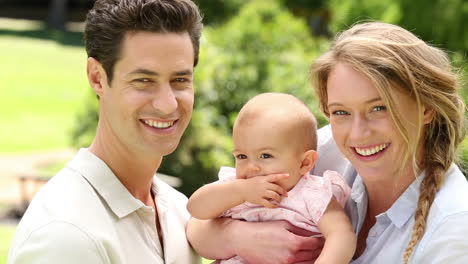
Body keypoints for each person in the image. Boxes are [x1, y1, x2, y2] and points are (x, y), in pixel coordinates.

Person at [186, 22, 468, 263]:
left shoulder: (454, 223)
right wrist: (239, 237)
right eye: (341, 112)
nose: (357, 134)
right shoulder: (325, 149)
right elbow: (197, 223)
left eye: (379, 108)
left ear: (426, 108)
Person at [8, 0, 203, 263]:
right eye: (144, 80)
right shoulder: (65, 236)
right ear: (97, 77)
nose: (167, 104)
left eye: (180, 80)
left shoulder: (179, 210)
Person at [187, 93, 356, 264]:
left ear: (305, 163)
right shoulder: (237, 191)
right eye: (242, 156)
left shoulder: (313, 194)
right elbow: (196, 208)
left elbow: (341, 235)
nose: (251, 167)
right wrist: (240, 191)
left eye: (265, 155)